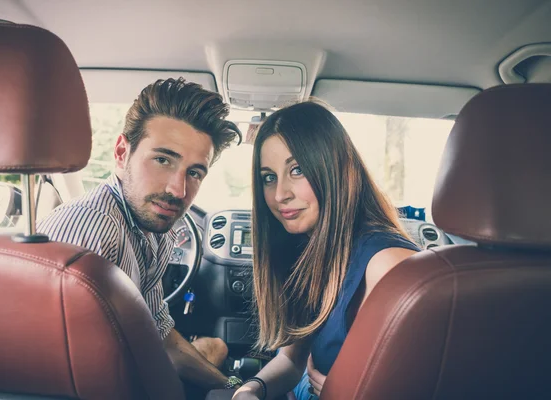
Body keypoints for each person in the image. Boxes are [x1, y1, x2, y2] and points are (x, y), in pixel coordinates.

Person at [38, 77, 244, 393]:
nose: (179, 190)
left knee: (217, 347)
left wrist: (237, 386)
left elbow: (160, 336)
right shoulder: (94, 229)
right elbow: (61, 372)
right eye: (162, 160)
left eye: (194, 172)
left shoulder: (154, 229)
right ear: (122, 152)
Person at [232, 101, 420, 400]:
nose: (280, 194)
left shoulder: (387, 265)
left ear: (334, 169)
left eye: (297, 170)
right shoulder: (308, 250)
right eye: (269, 177)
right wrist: (251, 389)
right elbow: (292, 361)